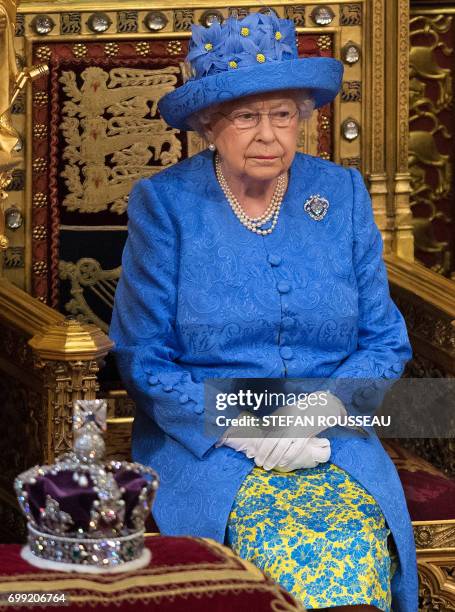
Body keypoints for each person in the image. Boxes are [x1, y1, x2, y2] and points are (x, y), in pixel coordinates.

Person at [109, 11, 417, 612]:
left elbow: (385, 340)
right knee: (281, 547)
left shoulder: (343, 193)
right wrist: (248, 426)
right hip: (213, 445)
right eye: (247, 117)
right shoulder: (165, 204)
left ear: (303, 117)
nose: (269, 135)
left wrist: (321, 411)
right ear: (208, 124)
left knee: (350, 542)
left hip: (334, 436)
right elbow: (142, 359)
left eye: (284, 114)